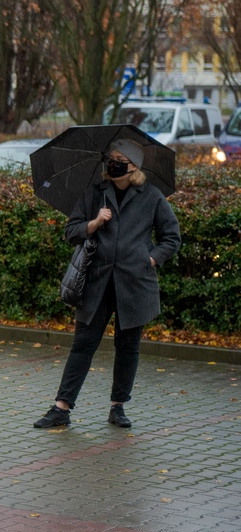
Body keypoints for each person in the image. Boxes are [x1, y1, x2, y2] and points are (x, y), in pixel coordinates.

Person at [33, 138, 181, 429]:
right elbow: (71, 231)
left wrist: (149, 260)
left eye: (118, 159)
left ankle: (118, 407)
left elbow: (172, 238)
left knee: (128, 348)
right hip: (97, 282)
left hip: (135, 284)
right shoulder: (95, 193)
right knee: (83, 344)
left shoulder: (151, 197)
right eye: (109, 159)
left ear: (133, 166)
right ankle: (61, 408)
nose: (111, 164)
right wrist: (95, 223)